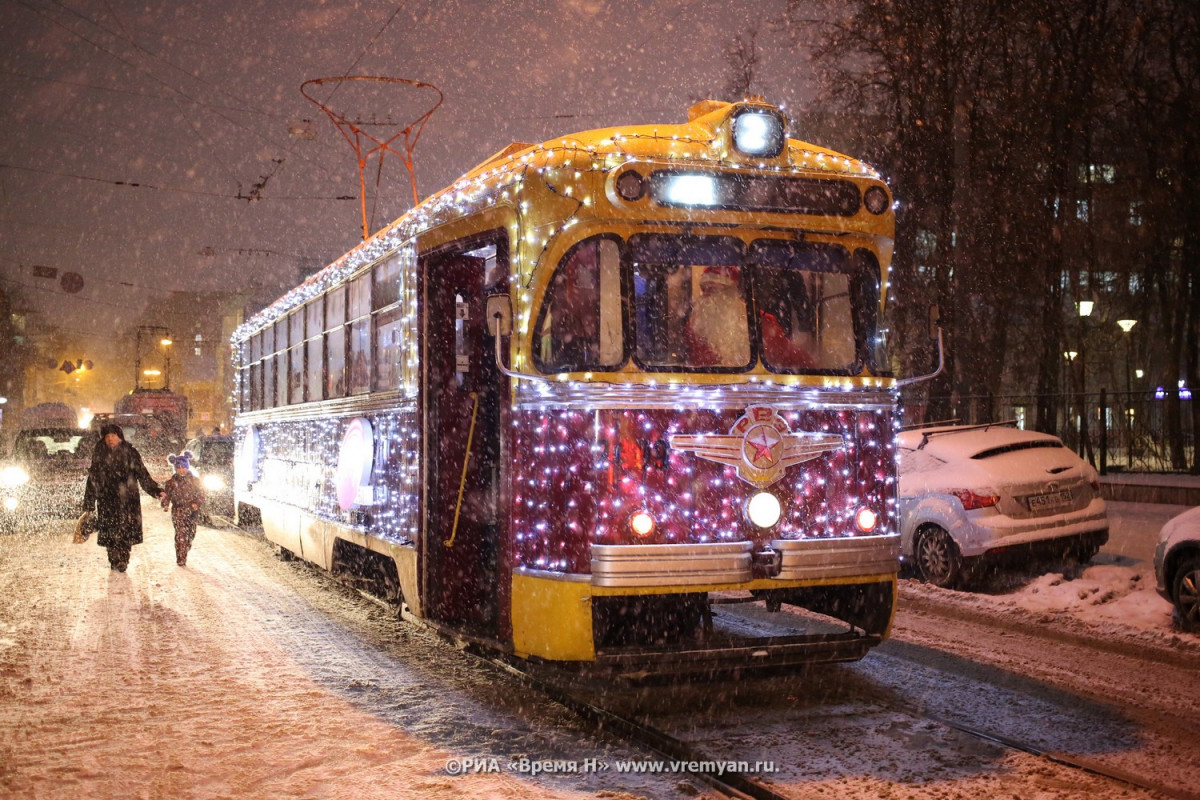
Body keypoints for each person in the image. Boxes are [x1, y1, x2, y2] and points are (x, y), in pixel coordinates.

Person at [82, 423, 165, 572]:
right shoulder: (100, 454)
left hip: (128, 500)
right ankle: (114, 558)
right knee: (110, 531)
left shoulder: (130, 452)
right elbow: (93, 480)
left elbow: (142, 474)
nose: (110, 439)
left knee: (125, 531)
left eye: (113, 436)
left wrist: (156, 491)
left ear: (120, 437)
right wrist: (89, 504)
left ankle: (123, 559)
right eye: (107, 436)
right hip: (107, 499)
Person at [686, 265, 750, 366]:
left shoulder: (760, 322)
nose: (706, 295)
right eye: (704, 289)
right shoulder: (694, 327)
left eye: (712, 288)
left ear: (730, 292)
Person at [161, 450, 204, 567]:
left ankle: (186, 546)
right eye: (178, 467)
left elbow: (201, 494)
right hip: (178, 511)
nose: (181, 470)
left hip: (192, 511)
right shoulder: (171, 483)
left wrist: (197, 503)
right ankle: (181, 557)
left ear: (187, 467)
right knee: (181, 534)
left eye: (183, 467)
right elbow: (167, 495)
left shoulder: (194, 481)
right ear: (175, 468)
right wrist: (165, 503)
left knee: (190, 534)